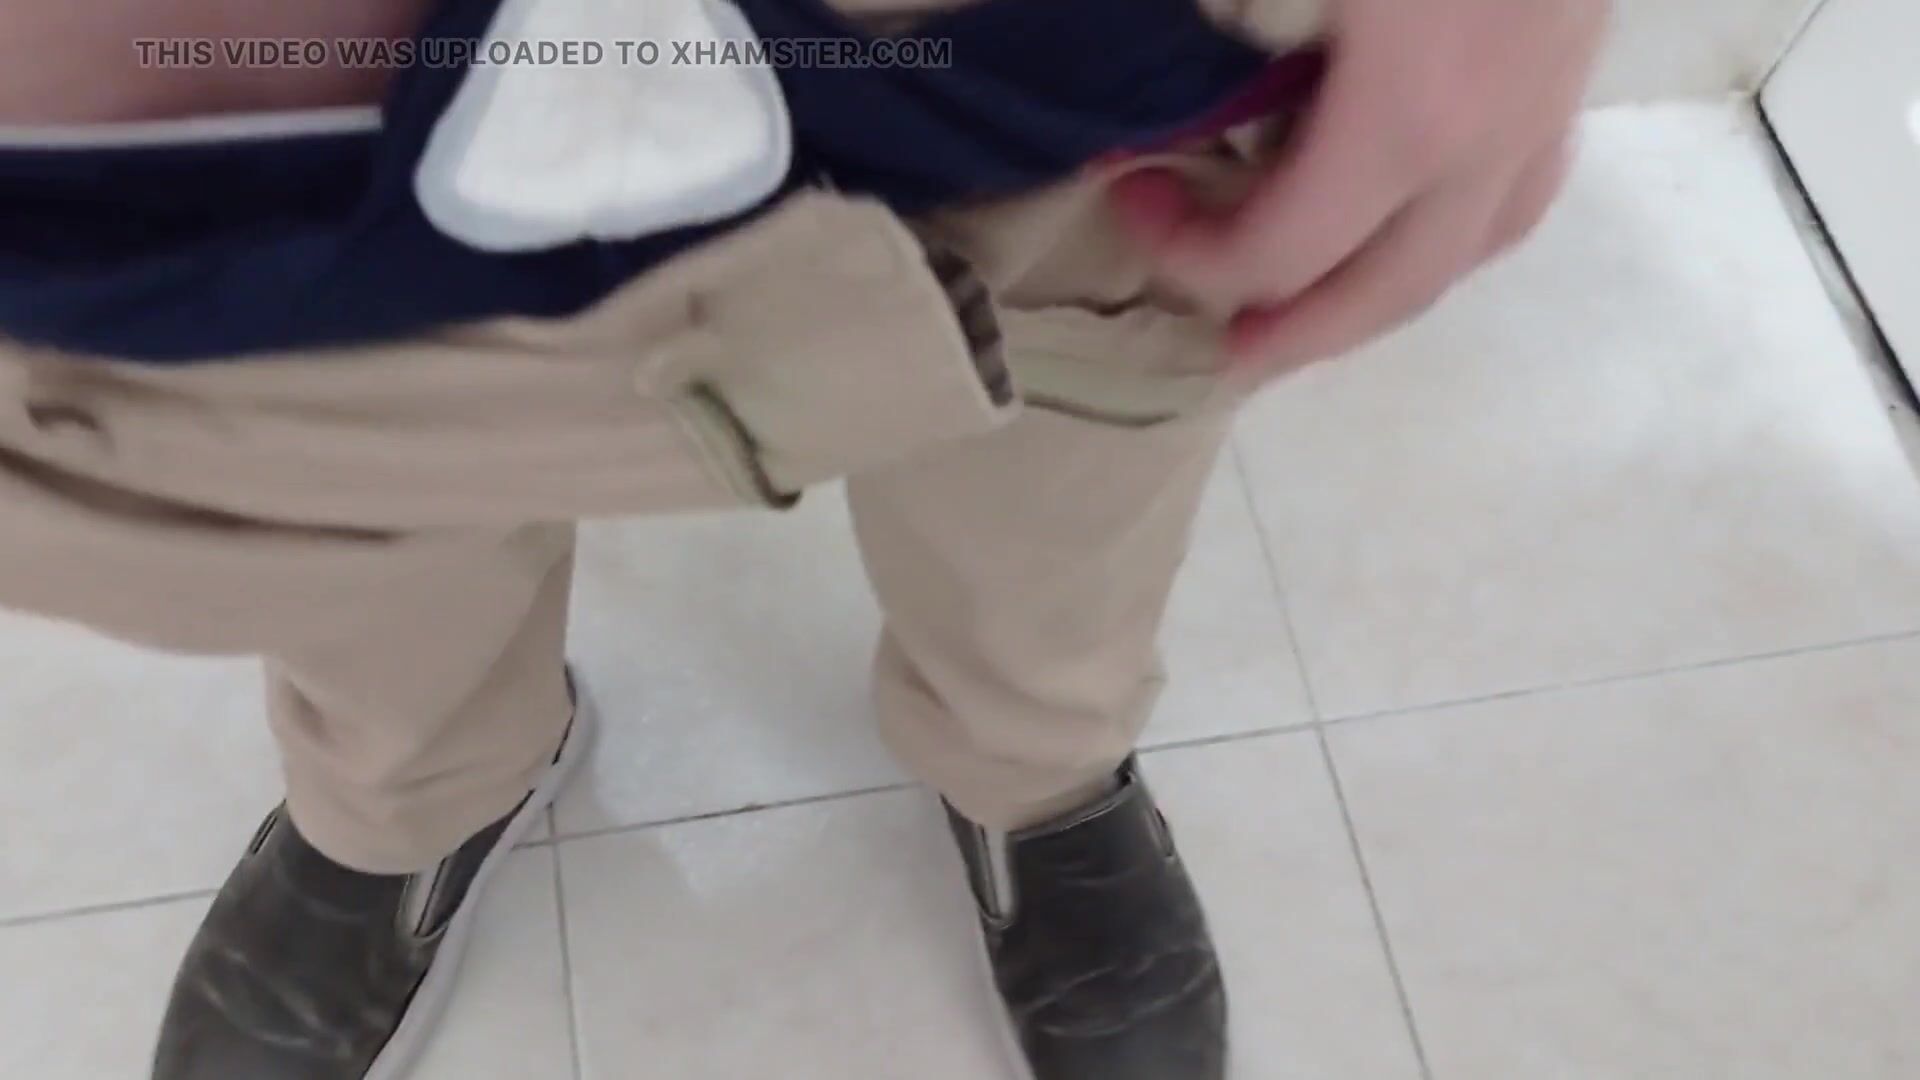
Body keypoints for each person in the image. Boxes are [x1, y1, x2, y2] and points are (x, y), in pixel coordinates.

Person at [0, 0, 1609, 1076]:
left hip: (1005, 42)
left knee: (1077, 403)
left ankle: (1031, 769)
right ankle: (410, 791)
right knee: (325, 490)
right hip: (163, 136)